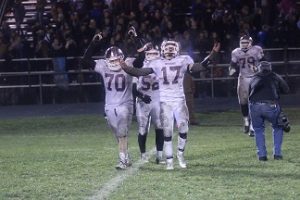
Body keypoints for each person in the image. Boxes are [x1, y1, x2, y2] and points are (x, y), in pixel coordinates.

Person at [121, 39, 220, 170]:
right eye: (167, 48)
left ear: (177, 50)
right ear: (162, 50)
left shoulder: (183, 60)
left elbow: (199, 67)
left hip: (179, 100)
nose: (169, 50)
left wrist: (212, 54)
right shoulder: (156, 63)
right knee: (167, 131)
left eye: (171, 48)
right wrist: (126, 68)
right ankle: (169, 160)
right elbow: (140, 72)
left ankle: (180, 154)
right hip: (164, 101)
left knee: (184, 128)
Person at [81, 33, 150, 170]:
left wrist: (136, 39)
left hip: (126, 104)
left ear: (121, 59)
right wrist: (93, 44)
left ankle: (122, 160)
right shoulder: (102, 66)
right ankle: (126, 157)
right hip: (109, 105)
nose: (114, 63)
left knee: (122, 133)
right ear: (106, 60)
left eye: (116, 60)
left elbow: (142, 57)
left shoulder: (129, 63)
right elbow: (85, 60)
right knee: (118, 134)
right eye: (111, 61)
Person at [248, 61, 290, 161]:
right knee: (278, 127)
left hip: (254, 106)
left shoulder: (253, 77)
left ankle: (262, 156)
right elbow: (286, 90)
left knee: (258, 130)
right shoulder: (275, 76)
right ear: (270, 68)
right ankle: (277, 155)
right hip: (271, 105)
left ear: (259, 68)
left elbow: (249, 92)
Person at [131, 45, 165, 164]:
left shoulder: (162, 65)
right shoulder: (140, 65)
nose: (153, 56)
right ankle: (143, 155)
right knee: (142, 129)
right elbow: (134, 90)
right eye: (150, 53)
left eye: (155, 53)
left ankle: (159, 156)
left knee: (160, 127)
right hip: (142, 102)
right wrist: (142, 96)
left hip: (157, 100)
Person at [229, 35, 265, 137]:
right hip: (243, 78)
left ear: (250, 43)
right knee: (243, 102)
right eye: (242, 42)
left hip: (255, 77)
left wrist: (258, 69)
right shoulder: (236, 52)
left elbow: (264, 62)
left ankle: (253, 127)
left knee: (253, 102)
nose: (244, 44)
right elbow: (232, 64)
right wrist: (232, 69)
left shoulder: (257, 49)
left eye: (246, 42)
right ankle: (246, 121)